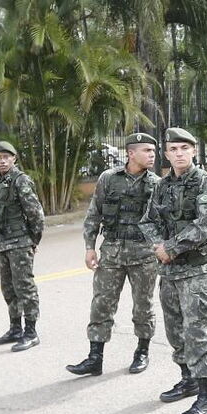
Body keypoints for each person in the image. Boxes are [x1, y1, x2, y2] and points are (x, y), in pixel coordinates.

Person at [139, 128, 207, 414]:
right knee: (175, 331)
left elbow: (205, 225)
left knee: (195, 332)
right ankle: (187, 380)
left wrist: (171, 248)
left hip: (196, 271)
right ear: (166, 153)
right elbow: (147, 220)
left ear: (194, 151)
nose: (179, 153)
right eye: (173, 149)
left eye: (184, 148)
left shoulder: (204, 183)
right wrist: (158, 246)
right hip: (169, 271)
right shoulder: (162, 186)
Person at [67, 132, 160, 376]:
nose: (152, 155)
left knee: (143, 307)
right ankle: (95, 357)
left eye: (153, 151)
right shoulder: (108, 179)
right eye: (146, 151)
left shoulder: (157, 184)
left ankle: (142, 352)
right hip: (112, 253)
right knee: (101, 304)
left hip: (144, 256)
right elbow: (93, 214)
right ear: (131, 153)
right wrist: (89, 247)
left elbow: (164, 223)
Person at [0, 141, 45, 352]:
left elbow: (36, 214)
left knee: (24, 287)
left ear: (14, 159)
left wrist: (33, 240)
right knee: (8, 287)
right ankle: (15, 328)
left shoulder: (21, 181)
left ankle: (31, 332)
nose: (2, 161)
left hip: (20, 242)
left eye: (6, 157)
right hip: (2, 242)